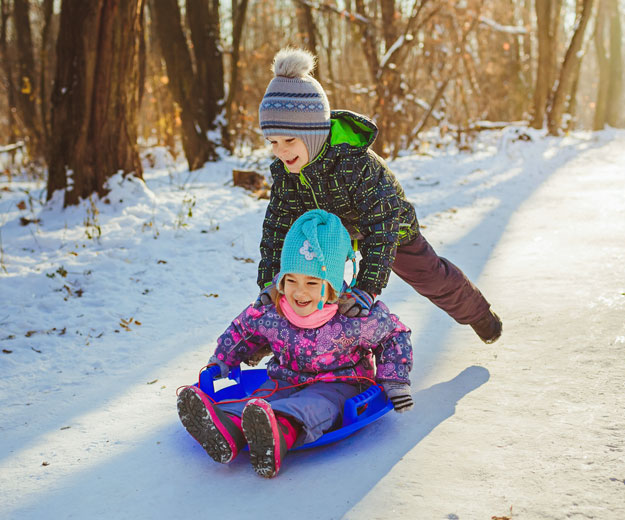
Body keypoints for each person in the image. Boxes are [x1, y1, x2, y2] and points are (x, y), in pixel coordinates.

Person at [255, 47, 502, 343]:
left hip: (390, 227)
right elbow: (278, 228)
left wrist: (366, 287)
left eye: (289, 140)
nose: (280, 151)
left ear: (313, 133)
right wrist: (271, 282)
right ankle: (301, 349)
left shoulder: (356, 164)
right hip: (331, 232)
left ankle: (479, 315)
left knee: (428, 276)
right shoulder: (286, 174)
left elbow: (382, 226)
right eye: (272, 142)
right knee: (305, 286)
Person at [177, 210, 413, 478]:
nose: (299, 292)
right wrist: (222, 360)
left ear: (332, 286)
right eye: (291, 280)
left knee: (313, 404)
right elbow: (244, 330)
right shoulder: (275, 309)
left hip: (339, 384)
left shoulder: (354, 316)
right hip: (284, 379)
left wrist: (394, 380)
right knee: (257, 401)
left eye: (312, 283)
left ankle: (278, 433)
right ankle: (227, 428)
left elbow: (394, 334)